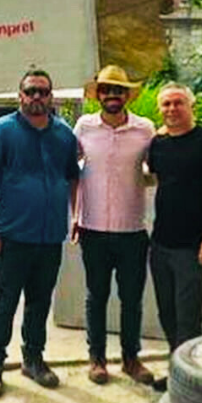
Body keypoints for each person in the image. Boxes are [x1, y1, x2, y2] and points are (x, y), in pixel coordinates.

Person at [0, 68, 80, 399]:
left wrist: (77, 215)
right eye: (30, 91)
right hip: (12, 236)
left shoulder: (63, 134)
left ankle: (33, 360)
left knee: (40, 302)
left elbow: (72, 176)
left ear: (51, 97)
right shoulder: (0, 133)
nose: (36, 98)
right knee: (4, 303)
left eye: (42, 92)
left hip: (49, 237)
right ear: (20, 96)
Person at [73, 65, 156, 386]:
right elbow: (69, 169)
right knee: (96, 295)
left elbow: (159, 165)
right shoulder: (83, 127)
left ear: (126, 96)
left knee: (131, 298)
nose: (112, 96)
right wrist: (73, 215)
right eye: (106, 90)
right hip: (92, 227)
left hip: (132, 229)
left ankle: (131, 359)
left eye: (118, 91)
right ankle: (97, 359)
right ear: (98, 95)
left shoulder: (144, 129)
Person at [147, 84, 202, 387]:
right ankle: (177, 371)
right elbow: (158, 178)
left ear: (190, 105)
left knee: (188, 318)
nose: (172, 109)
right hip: (160, 244)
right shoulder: (158, 144)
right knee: (167, 313)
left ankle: (189, 383)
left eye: (178, 103)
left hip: (192, 248)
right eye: (166, 104)